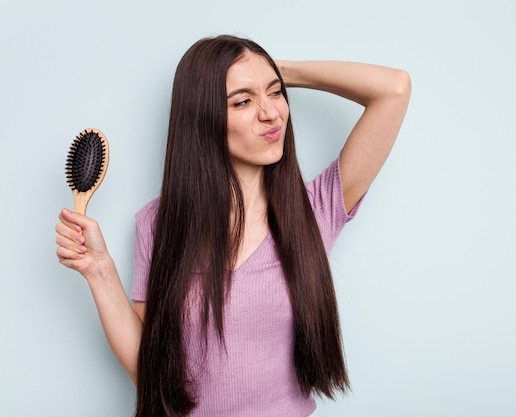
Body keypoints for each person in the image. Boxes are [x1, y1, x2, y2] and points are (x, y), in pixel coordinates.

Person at [55, 35, 411, 417]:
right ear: (202, 115)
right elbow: (150, 372)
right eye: (243, 101)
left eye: (276, 94)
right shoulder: (158, 223)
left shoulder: (316, 208)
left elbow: (394, 88)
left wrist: (276, 71)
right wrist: (99, 270)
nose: (271, 113)